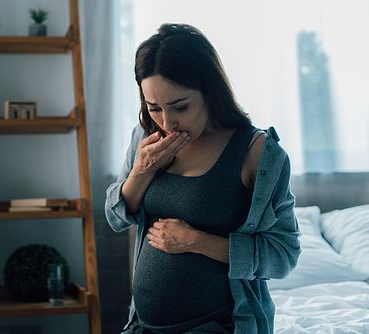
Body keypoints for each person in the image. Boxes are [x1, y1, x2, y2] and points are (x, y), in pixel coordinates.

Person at [105, 23, 301, 334]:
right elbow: (116, 219)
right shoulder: (146, 137)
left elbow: (283, 256)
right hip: (141, 325)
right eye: (153, 107)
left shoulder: (258, 153)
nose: (167, 122)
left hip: (219, 325)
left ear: (210, 92)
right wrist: (142, 169)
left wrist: (198, 242)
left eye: (180, 106)